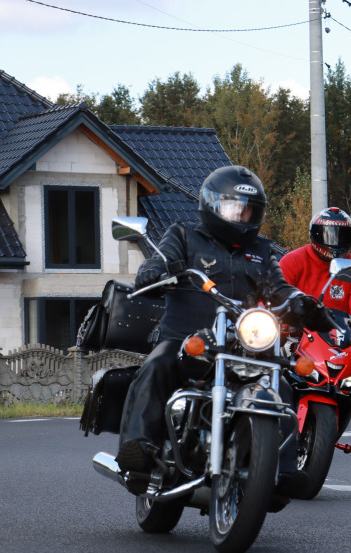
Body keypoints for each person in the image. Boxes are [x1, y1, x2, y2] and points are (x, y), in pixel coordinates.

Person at [116, 165, 308, 490]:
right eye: (235, 207)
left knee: (283, 383)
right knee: (157, 365)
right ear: (213, 204)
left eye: (249, 210)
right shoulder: (184, 235)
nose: (242, 215)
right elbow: (160, 258)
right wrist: (156, 270)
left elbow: (280, 286)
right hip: (184, 337)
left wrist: (303, 303)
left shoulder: (262, 250)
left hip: (240, 342)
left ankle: (282, 470)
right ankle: (138, 449)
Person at [279, 207, 351, 347]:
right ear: (315, 234)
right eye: (328, 235)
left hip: (340, 346)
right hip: (295, 341)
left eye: (341, 236)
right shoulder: (293, 262)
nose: (335, 241)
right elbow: (274, 295)